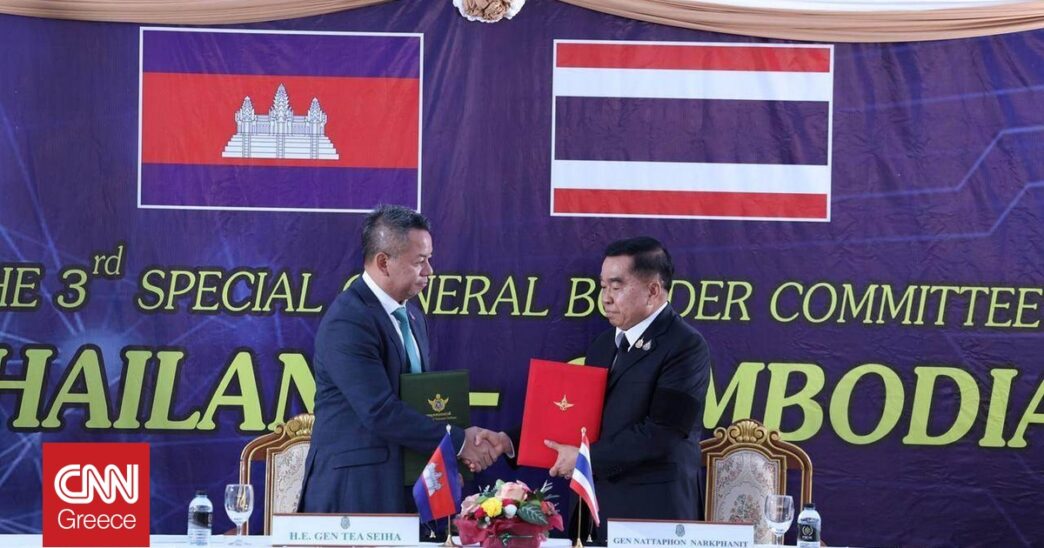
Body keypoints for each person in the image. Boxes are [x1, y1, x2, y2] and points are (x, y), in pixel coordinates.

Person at [479, 236, 710, 541]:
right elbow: (577, 417)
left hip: (653, 513)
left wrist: (584, 459)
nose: (606, 298)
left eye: (616, 287)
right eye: (603, 287)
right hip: (595, 511)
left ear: (653, 290)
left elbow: (663, 433)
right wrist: (509, 441)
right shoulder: (604, 345)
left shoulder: (686, 346)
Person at [298, 204, 500, 514]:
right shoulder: (349, 320)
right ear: (384, 262)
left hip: (403, 486)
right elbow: (379, 410)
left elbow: (418, 405)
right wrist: (458, 443)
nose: (429, 271)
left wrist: (444, 460)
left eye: (429, 259)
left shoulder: (414, 318)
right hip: (355, 493)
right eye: (420, 261)